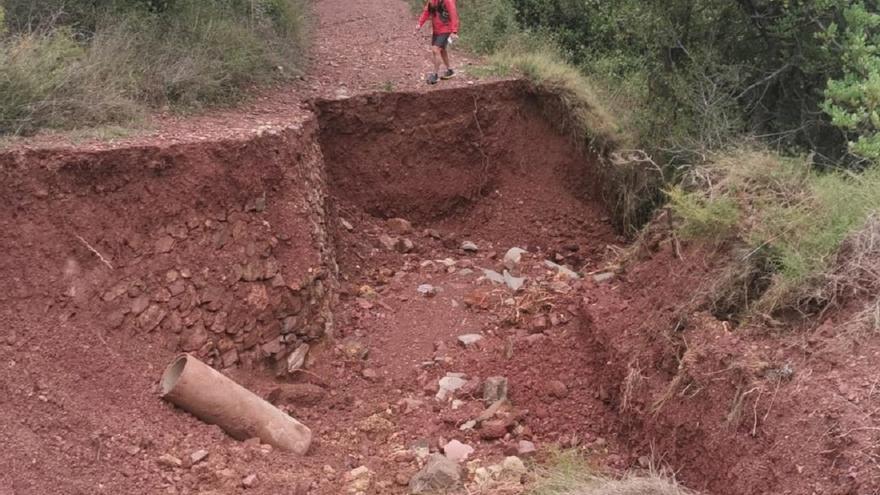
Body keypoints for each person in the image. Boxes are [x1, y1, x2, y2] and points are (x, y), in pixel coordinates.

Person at [415, 0, 459, 85]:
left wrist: (454, 31)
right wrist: (419, 24)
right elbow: (426, 12)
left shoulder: (448, 1)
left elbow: (453, 14)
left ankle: (435, 75)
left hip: (446, 29)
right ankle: (450, 71)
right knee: (442, 50)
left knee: (435, 49)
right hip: (437, 30)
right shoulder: (432, 1)